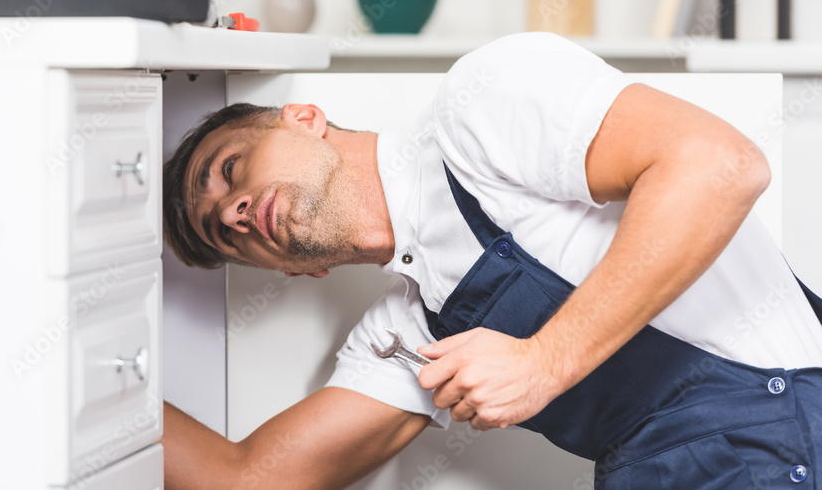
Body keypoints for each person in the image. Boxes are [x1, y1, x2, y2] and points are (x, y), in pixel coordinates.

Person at [161, 32, 822, 489]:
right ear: (298, 272)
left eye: (229, 170)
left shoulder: (479, 109)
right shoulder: (411, 332)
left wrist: (542, 361)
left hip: (775, 441)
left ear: (303, 117)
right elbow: (249, 477)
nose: (232, 210)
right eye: (225, 234)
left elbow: (720, 165)